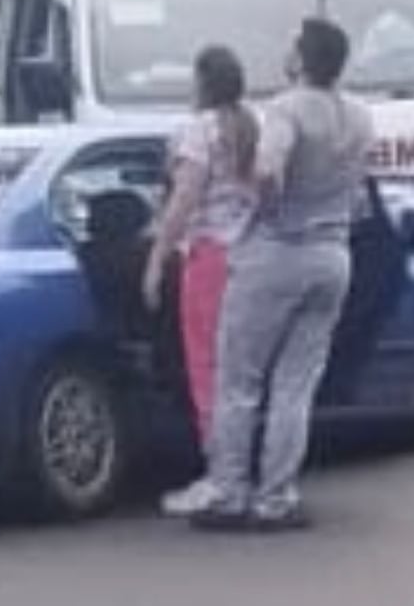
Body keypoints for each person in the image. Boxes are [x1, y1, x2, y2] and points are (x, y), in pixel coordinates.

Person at [192, 17, 375, 532]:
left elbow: (269, 169)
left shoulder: (285, 110)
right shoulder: (360, 116)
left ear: (302, 59)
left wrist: (259, 205)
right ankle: (277, 497)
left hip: (278, 250)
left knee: (239, 379)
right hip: (333, 255)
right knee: (296, 384)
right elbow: (361, 192)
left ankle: (229, 493)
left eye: (292, 45)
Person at [142, 46, 258, 516]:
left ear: (202, 83)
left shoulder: (199, 132)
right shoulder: (250, 127)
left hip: (209, 258)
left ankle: (220, 474)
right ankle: (246, 468)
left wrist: (156, 259)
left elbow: (184, 201)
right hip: (250, 256)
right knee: (244, 369)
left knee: (207, 367)